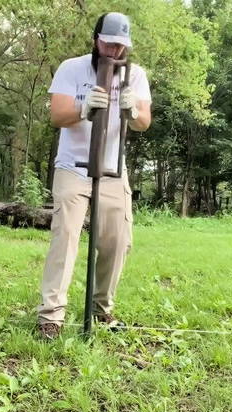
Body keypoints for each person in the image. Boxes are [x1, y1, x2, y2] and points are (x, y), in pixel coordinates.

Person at [37, 12, 152, 339]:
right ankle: (51, 316)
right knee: (66, 238)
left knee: (118, 242)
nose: (114, 50)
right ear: (95, 39)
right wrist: (83, 108)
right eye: (108, 43)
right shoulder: (71, 69)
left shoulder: (136, 75)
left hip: (114, 170)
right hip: (73, 167)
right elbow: (57, 115)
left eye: (121, 45)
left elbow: (145, 120)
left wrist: (132, 110)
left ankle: (101, 309)